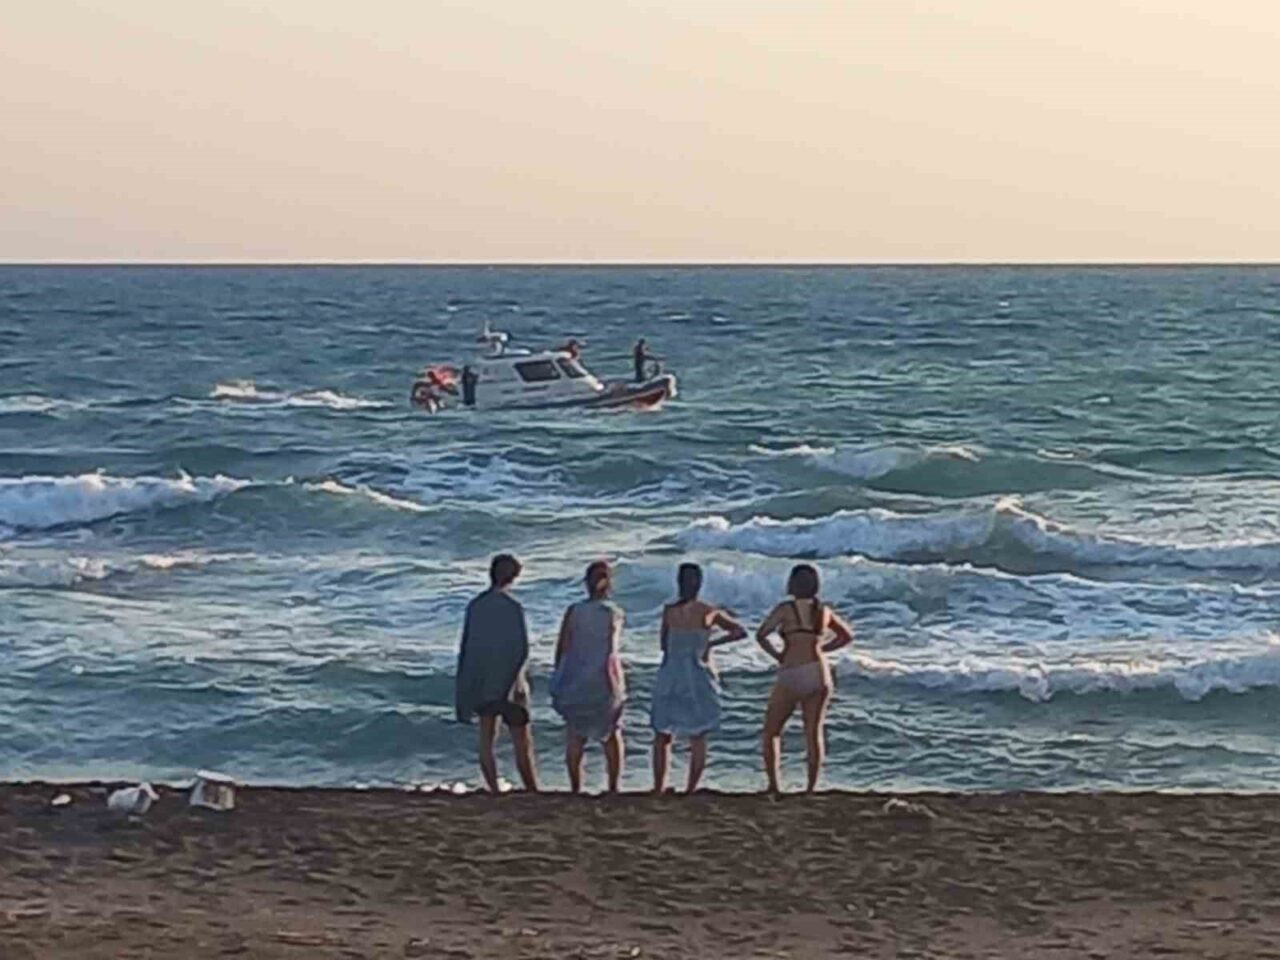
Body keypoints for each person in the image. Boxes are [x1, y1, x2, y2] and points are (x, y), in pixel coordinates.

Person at [755, 564, 855, 794]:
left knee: (772, 731)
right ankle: (811, 788)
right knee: (813, 733)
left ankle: (774, 785)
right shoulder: (823, 610)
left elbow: (761, 635)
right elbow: (847, 636)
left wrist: (778, 655)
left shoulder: (785, 609)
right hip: (818, 671)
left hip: (792, 669)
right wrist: (823, 648)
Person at [650, 563, 746, 794]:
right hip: (698, 672)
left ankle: (659, 787)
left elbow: (664, 645)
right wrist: (710, 643)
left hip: (672, 672)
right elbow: (739, 631)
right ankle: (691, 788)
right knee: (698, 734)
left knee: (663, 733)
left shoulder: (669, 611)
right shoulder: (708, 611)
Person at [455, 554, 539, 793]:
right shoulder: (513, 608)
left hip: (484, 684)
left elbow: (468, 649)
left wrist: (466, 689)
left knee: (486, 740)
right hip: (512, 686)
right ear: (512, 578)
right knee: (522, 741)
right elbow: (520, 649)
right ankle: (532, 788)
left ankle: (493, 788)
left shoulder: (475, 606)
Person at [551, 560, 627, 793]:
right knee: (612, 735)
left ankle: (576, 787)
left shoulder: (574, 611)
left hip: (577, 677)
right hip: (604, 679)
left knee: (575, 735)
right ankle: (613, 787)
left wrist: (559, 676)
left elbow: (563, 646)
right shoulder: (614, 613)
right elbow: (611, 651)